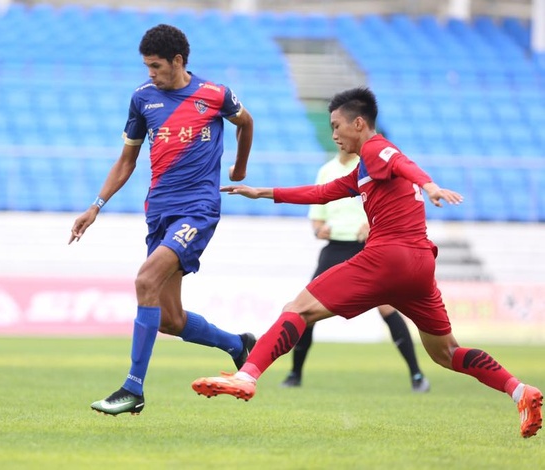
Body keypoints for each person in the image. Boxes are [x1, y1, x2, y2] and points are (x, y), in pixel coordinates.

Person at [192, 87, 542, 438]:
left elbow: (400, 160)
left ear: (358, 123)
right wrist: (263, 192)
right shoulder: (364, 170)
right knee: (447, 353)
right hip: (419, 266)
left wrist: (430, 185)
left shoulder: (376, 148)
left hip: (386, 257)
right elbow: (320, 193)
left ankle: (247, 376)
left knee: (298, 309)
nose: (333, 135)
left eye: (336, 126)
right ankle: (519, 391)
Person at [69, 24, 256, 416]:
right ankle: (239, 345)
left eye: (156, 66)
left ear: (178, 61)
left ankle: (132, 389)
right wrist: (95, 206)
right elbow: (126, 161)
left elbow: (246, 122)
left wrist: (238, 168)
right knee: (169, 320)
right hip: (159, 211)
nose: (150, 73)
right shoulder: (142, 99)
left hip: (198, 210)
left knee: (145, 280)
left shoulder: (214, 94)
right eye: (146, 66)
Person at [282, 147, 429, 393]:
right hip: (336, 247)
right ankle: (295, 373)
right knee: (304, 307)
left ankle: (416, 375)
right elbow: (317, 218)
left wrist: (373, 225)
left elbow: (390, 206)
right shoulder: (326, 171)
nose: (339, 137)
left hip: (368, 246)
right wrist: (319, 230)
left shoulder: (372, 168)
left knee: (386, 307)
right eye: (335, 129)